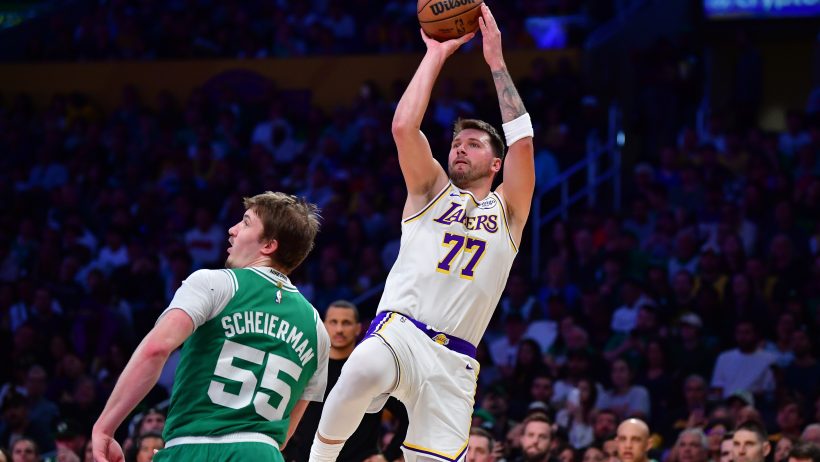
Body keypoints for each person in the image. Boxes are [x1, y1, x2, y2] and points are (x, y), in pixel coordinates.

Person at [310, 4, 534, 462]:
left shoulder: (509, 211)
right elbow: (402, 127)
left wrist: (496, 62)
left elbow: (524, 143)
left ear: (496, 164)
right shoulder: (430, 190)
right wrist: (435, 53)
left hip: (455, 363)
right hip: (401, 331)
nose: (459, 147)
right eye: (456, 142)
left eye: (473, 144)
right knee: (359, 372)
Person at [92, 191, 329, 462]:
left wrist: (105, 428)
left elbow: (156, 349)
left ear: (268, 246)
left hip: (194, 447)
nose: (232, 230)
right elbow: (285, 433)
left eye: (246, 223)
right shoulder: (317, 329)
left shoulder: (215, 283)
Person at [287, 300, 407, 462]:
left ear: (358, 328)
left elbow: (407, 416)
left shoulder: (369, 371)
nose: (339, 329)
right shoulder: (309, 367)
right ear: (324, 325)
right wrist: (290, 453)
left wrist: (388, 455)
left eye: (346, 323)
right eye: (333, 322)